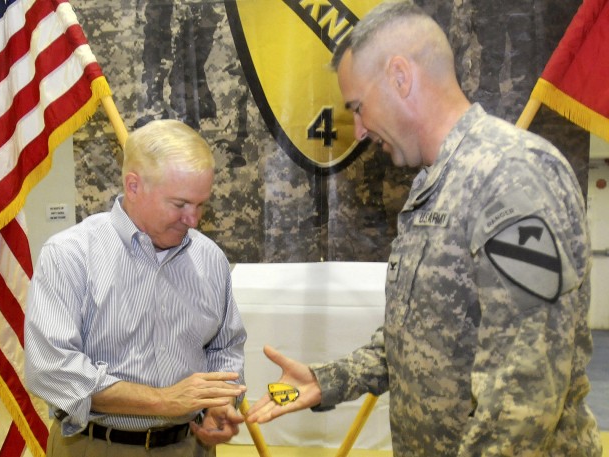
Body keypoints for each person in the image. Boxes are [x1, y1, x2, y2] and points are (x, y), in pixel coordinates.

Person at [246, 2, 603, 456]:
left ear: (400, 76)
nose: (357, 130)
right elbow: (423, 337)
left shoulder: (510, 176)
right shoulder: (436, 185)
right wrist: (326, 381)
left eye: (358, 107)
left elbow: (523, 399)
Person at [24, 119, 247, 456]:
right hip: (98, 446)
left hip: (189, 446)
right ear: (133, 186)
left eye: (201, 204)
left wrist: (220, 402)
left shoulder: (209, 258)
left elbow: (224, 348)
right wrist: (163, 401)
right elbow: (52, 369)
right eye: (180, 204)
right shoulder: (70, 255)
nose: (194, 219)